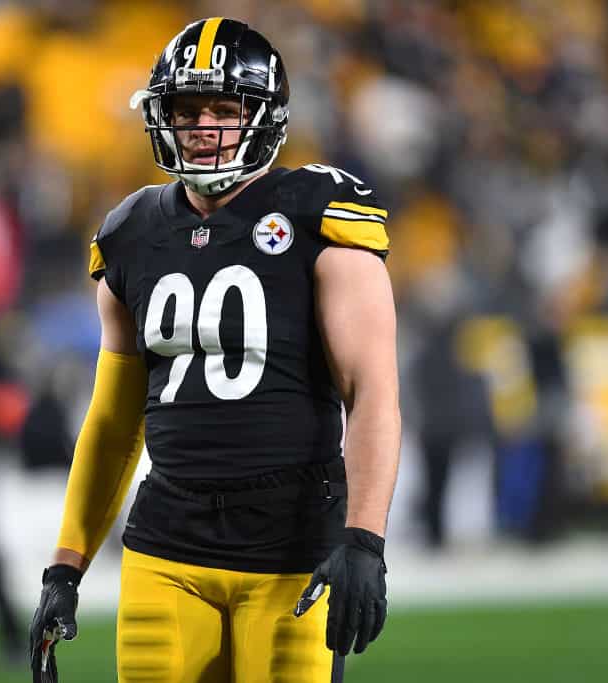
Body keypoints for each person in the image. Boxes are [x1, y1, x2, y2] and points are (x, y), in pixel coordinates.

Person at [29, 18, 401, 683]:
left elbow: (371, 391)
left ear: (265, 117)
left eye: (224, 109)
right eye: (186, 109)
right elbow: (114, 421)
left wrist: (365, 539)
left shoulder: (320, 212)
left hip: (290, 544)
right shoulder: (130, 232)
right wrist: (65, 566)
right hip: (166, 544)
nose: (203, 126)